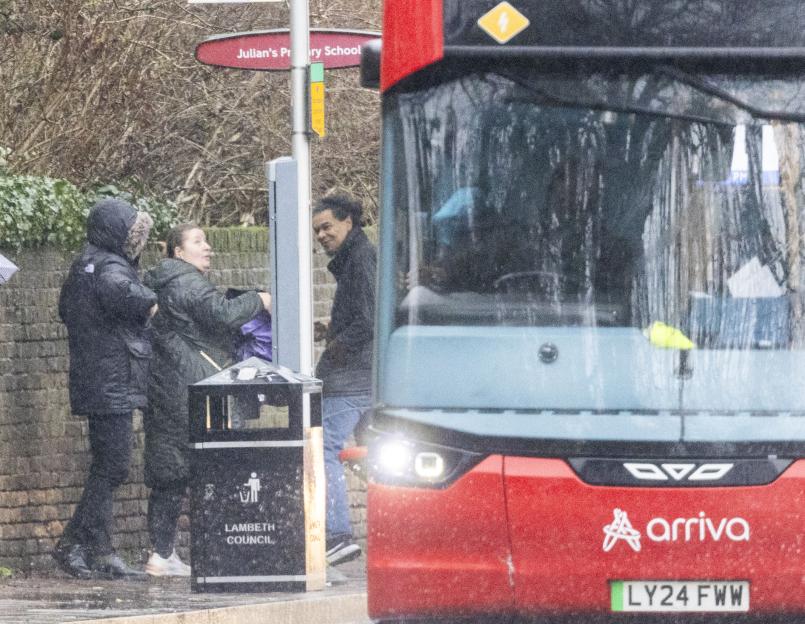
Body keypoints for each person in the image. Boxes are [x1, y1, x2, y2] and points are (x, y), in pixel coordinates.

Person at [142, 223, 271, 576]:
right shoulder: (187, 282)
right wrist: (259, 299)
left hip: (167, 388)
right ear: (177, 252)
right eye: (198, 241)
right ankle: (217, 552)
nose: (209, 247)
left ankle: (161, 553)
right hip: (195, 390)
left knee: (171, 473)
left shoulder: (163, 284)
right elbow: (221, 313)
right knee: (213, 468)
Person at [55, 198, 158, 579]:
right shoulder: (110, 265)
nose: (137, 241)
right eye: (133, 232)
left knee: (106, 464)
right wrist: (150, 301)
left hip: (94, 376)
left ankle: (100, 550)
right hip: (112, 379)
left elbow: (66, 310)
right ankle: (72, 544)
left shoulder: (84, 262)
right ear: (117, 232)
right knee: (114, 465)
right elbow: (122, 292)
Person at [312, 194, 376, 566]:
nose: (321, 235)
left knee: (324, 449)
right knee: (380, 458)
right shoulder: (356, 258)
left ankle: (336, 536)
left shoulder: (361, 259)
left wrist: (336, 346)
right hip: (365, 376)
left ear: (348, 222)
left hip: (352, 379)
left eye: (326, 227)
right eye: (317, 230)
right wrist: (332, 328)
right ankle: (404, 528)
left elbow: (368, 319)